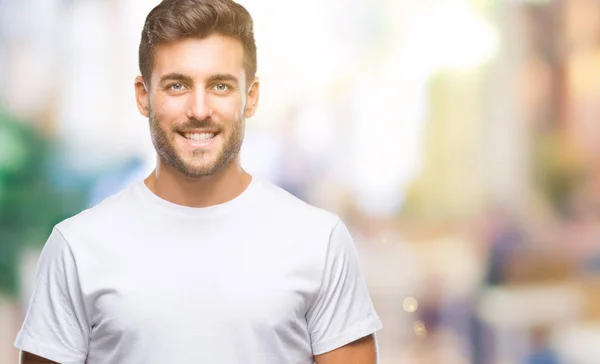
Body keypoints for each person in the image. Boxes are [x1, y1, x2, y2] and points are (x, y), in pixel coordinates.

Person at [14, 0, 383, 363]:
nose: (200, 109)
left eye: (220, 86)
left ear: (250, 97)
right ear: (144, 97)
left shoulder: (320, 242)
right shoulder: (76, 248)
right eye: (177, 86)